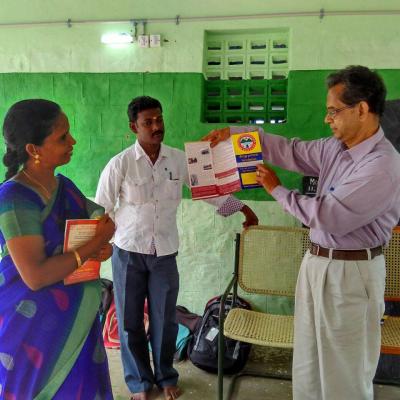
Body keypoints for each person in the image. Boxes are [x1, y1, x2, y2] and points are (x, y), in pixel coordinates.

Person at [203, 65, 400, 400]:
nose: (328, 119)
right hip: (317, 263)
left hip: (352, 272)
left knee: (344, 371)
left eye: (334, 111)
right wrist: (236, 135)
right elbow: (290, 151)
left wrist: (277, 190)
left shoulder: (382, 165)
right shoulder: (335, 149)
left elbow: (328, 216)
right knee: (308, 360)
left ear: (363, 110)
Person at [95, 96, 258, 400]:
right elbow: (102, 210)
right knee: (130, 322)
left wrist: (243, 209)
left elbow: (209, 192)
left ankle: (166, 376)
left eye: (159, 120)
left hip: (165, 253)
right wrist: (95, 248)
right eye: (148, 122)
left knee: (165, 319)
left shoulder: (178, 160)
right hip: (128, 251)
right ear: (134, 126)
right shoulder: (120, 164)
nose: (156, 127)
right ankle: (140, 384)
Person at [0, 99, 116, 399]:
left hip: (77, 321)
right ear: (33, 149)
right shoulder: (14, 199)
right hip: (32, 331)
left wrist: (103, 249)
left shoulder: (65, 186)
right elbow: (35, 276)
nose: (72, 141)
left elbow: (92, 230)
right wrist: (94, 244)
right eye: (62, 137)